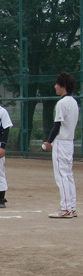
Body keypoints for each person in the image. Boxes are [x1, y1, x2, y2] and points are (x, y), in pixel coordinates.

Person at [44, 73, 79, 218]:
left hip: (61, 142)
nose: (55, 86)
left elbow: (57, 125)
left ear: (63, 86)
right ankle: (71, 206)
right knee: (68, 175)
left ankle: (65, 208)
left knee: (61, 176)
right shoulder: (74, 102)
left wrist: (48, 141)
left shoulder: (62, 103)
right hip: (69, 142)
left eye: (57, 84)